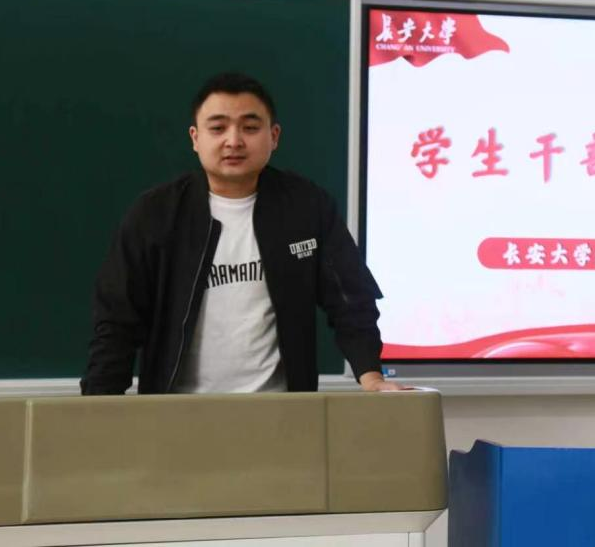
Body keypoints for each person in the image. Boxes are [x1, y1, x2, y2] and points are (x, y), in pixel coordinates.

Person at [81, 72, 403, 395]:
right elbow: (117, 321)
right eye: (218, 128)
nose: (233, 141)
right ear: (195, 138)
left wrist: (372, 377)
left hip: (282, 413)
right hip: (178, 413)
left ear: (274, 136)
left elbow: (350, 300)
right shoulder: (155, 215)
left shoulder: (307, 207)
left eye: (250, 128)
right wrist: (97, 407)